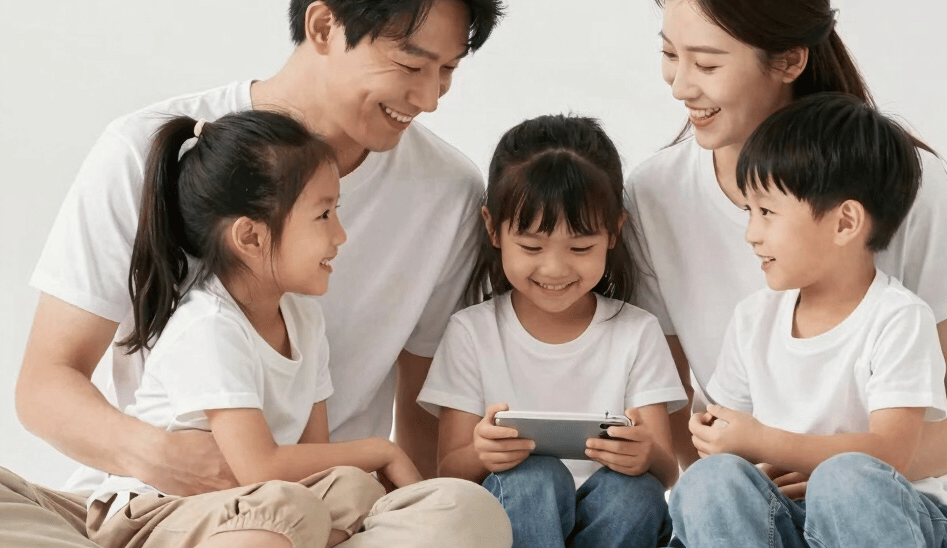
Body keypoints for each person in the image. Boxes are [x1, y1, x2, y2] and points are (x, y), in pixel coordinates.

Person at [6, 1, 512, 547]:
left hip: (323, 508)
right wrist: (169, 458)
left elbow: (421, 420)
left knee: (464, 515)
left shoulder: (448, 191)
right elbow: (45, 384)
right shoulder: (147, 149)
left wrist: (402, 508)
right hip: (161, 507)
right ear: (324, 26)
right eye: (412, 66)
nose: (431, 99)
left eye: (449, 69)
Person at [627, 0, 947, 544]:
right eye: (670, 54)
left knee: (847, 486)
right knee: (708, 490)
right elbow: (673, 403)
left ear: (789, 60)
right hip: (758, 512)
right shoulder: (653, 194)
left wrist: (826, 464)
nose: (679, 86)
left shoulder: (897, 180)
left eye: (708, 64)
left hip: (892, 503)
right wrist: (742, 479)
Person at [89, 109, 418, 547]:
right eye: (324, 215)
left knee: (350, 488)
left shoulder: (304, 319)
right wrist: (383, 450)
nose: (340, 235)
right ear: (250, 237)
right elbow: (259, 469)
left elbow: (315, 460)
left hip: (256, 500)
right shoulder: (209, 328)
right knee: (291, 509)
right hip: (157, 512)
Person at [675, 92, 947, 546]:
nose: (752, 234)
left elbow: (890, 452)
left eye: (768, 212)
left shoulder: (899, 319)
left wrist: (764, 442)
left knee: (846, 479)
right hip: (789, 512)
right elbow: (731, 425)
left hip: (891, 514)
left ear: (845, 222)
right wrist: (716, 435)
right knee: (705, 483)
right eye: (748, 212)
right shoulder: (754, 318)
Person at [417, 114, 687, 548]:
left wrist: (644, 454)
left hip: (615, 519)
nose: (555, 268)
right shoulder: (472, 331)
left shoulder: (637, 331)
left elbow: (667, 468)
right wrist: (483, 453)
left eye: (580, 248)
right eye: (531, 247)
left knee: (634, 491)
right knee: (534, 476)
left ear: (614, 231)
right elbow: (449, 469)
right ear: (493, 228)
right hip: (514, 515)